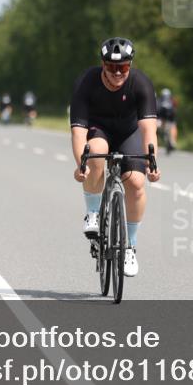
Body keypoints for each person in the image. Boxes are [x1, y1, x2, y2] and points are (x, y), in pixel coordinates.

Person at [70, 37, 160, 278]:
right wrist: (81, 165)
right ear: (103, 65)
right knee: (96, 151)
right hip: (98, 129)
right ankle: (93, 213)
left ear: (130, 66)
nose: (118, 72)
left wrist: (152, 162)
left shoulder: (141, 84)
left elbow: (149, 130)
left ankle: (129, 246)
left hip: (129, 132)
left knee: (137, 184)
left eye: (123, 67)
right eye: (111, 67)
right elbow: (78, 132)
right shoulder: (87, 82)